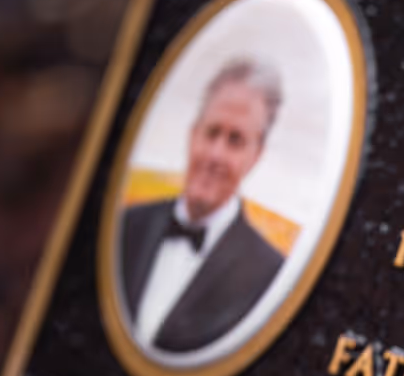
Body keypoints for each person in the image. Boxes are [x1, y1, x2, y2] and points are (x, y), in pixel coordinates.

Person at [120, 57, 286, 353]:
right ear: (192, 134)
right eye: (211, 133)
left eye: (235, 140)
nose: (215, 155)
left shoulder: (270, 275)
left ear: (256, 155)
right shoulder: (126, 224)